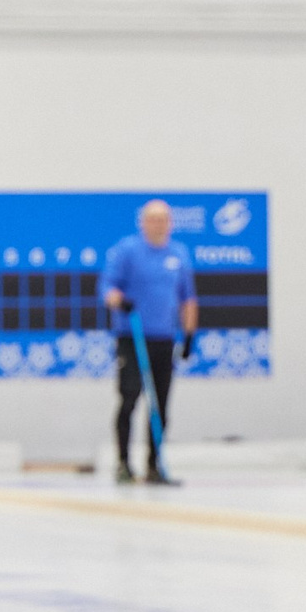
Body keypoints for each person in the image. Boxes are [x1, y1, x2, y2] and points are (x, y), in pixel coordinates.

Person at [102, 199, 197, 486]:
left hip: (163, 338)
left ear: (170, 223)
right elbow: (107, 288)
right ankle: (122, 464)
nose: (157, 224)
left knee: (160, 405)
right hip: (132, 336)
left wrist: (189, 334)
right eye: (152, 219)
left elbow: (188, 297)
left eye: (163, 219)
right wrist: (121, 301)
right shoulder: (127, 251)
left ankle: (155, 466)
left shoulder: (178, 254)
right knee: (129, 397)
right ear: (142, 222)